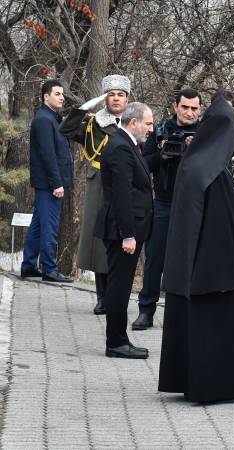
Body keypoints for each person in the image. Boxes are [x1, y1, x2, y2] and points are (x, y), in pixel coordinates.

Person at [158, 93, 234, 403]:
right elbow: (206, 228)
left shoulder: (206, 167)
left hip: (217, 271)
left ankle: (223, 382)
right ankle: (212, 384)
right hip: (211, 275)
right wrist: (216, 272)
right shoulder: (203, 171)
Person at [132, 88, 202, 331]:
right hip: (164, 202)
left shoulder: (205, 133)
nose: (190, 112)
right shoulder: (160, 130)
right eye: (185, 107)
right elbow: (143, 165)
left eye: (194, 108)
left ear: (200, 109)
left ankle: (188, 312)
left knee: (192, 259)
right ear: (175, 106)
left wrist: (197, 149)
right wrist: (163, 155)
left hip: (195, 204)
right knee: (155, 257)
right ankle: (146, 310)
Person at [61, 74, 130, 314]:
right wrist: (86, 107)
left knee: (126, 238)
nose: (116, 99)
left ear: (127, 98)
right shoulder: (93, 122)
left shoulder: (135, 121)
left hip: (129, 183)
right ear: (104, 98)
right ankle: (102, 297)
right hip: (100, 182)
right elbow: (66, 128)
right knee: (101, 241)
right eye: (111, 94)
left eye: (120, 94)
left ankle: (119, 296)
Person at [94, 103, 154, 359]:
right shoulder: (120, 147)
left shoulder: (127, 143)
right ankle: (116, 342)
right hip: (122, 230)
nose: (151, 129)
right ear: (133, 123)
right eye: (148, 123)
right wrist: (128, 234)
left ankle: (120, 339)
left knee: (121, 284)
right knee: (119, 286)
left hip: (127, 227)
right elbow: (121, 195)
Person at [20, 79, 74, 283]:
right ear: (46, 97)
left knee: (38, 224)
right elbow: (47, 155)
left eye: (62, 94)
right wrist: (56, 183)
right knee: (50, 226)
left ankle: (28, 266)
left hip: (50, 183)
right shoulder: (43, 119)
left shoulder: (53, 118)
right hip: (49, 184)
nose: (62, 97)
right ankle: (50, 269)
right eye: (58, 94)